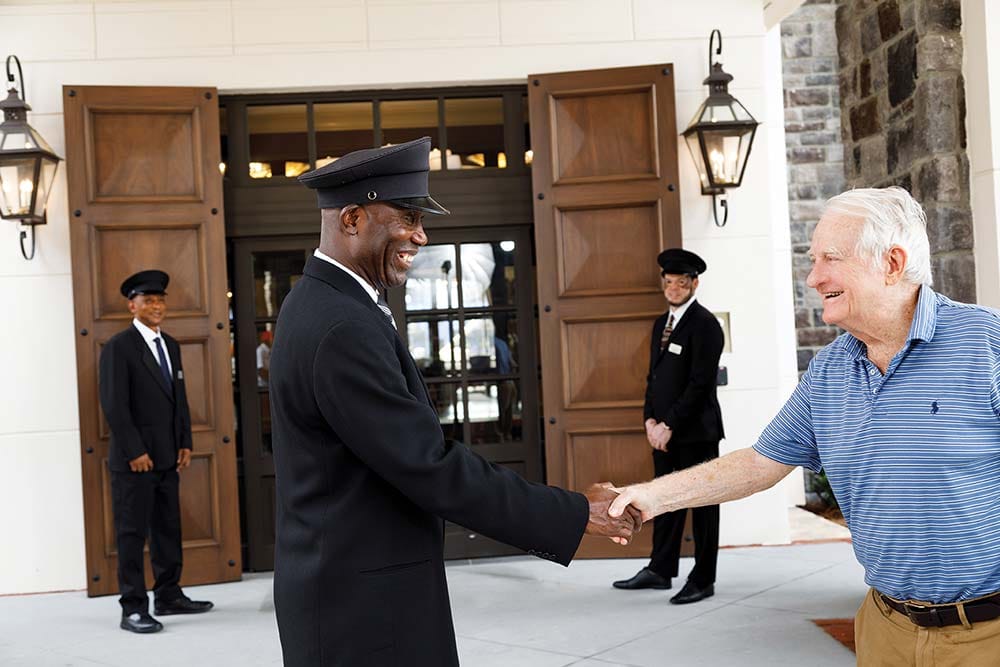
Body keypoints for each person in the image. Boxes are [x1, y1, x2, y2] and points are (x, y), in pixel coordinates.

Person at [269, 136, 640, 666]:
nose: (420, 234)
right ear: (351, 219)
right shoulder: (340, 323)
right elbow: (428, 466)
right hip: (364, 613)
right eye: (406, 216)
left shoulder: (327, 303)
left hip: (359, 593)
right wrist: (575, 513)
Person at [608, 187, 1000, 665]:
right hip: (885, 629)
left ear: (892, 264)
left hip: (987, 634)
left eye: (830, 259)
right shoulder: (831, 370)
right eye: (813, 260)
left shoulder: (985, 345)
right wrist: (651, 497)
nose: (813, 278)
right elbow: (759, 462)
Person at [98, 270, 213, 634]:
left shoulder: (172, 345)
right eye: (148, 300)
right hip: (135, 462)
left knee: (167, 529)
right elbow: (114, 405)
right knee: (132, 534)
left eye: (161, 300)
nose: (157, 306)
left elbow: (178, 401)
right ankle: (132, 607)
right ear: (132, 305)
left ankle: (168, 595)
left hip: (167, 457)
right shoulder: (119, 347)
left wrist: (185, 441)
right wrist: (134, 451)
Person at [612, 249, 724, 604]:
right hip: (662, 434)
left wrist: (669, 424)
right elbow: (654, 379)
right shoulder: (662, 323)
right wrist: (649, 420)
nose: (673, 288)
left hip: (695, 434)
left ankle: (703, 579)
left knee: (704, 507)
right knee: (661, 501)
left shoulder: (705, 325)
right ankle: (660, 569)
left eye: (681, 282)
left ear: (694, 283)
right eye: (669, 282)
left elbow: (700, 383)